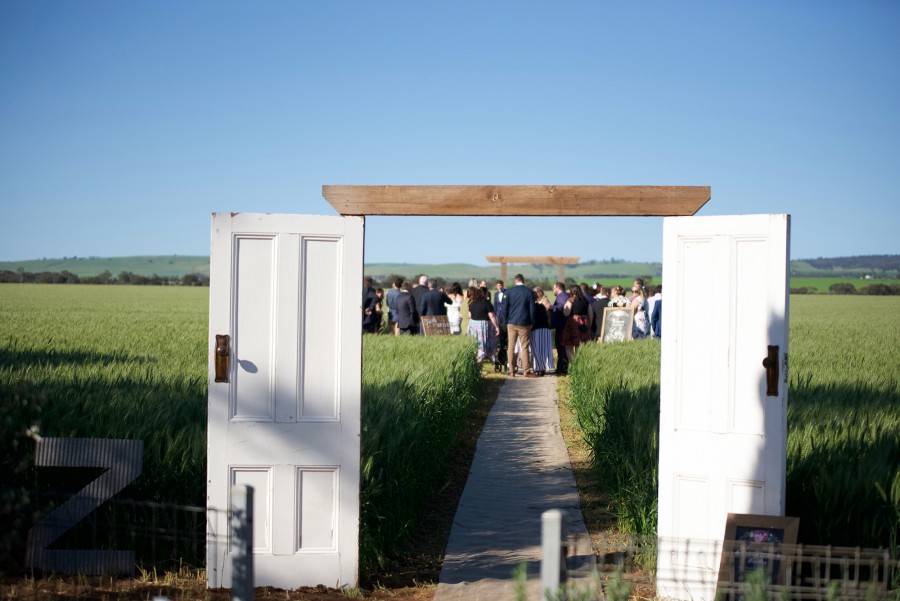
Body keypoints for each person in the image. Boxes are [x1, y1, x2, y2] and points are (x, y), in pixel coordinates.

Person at [501, 273, 538, 377]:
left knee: (511, 347)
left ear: (515, 280)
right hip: (525, 322)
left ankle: (512, 371)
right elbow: (532, 309)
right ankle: (526, 371)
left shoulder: (509, 292)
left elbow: (505, 308)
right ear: (523, 280)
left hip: (511, 322)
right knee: (525, 347)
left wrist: (505, 321)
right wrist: (532, 322)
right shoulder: (529, 292)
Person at [466, 286, 500, 366]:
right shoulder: (486, 303)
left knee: (475, 345)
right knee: (483, 344)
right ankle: (484, 360)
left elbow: (469, 315)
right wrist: (496, 326)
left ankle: (476, 362)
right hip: (483, 326)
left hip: (473, 325)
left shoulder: (471, 303)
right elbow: (491, 316)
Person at [562, 284, 594, 363]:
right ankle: (579, 363)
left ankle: (573, 364)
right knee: (579, 345)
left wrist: (565, 305)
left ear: (572, 291)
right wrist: (589, 324)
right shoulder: (586, 301)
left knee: (568, 346)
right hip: (584, 323)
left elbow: (566, 313)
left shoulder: (571, 300)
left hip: (573, 323)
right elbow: (591, 314)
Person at [529, 287, 554, 375]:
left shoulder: (532, 307)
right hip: (546, 329)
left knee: (536, 350)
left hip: (536, 329)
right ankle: (543, 367)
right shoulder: (542, 306)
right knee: (544, 350)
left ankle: (538, 368)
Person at [548, 281, 570, 375]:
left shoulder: (562, 296)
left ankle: (562, 369)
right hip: (561, 325)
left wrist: (550, 307)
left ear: (558, 288)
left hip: (562, 325)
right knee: (560, 347)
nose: (553, 290)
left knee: (561, 347)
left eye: (554, 288)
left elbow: (561, 307)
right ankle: (561, 368)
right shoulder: (563, 295)